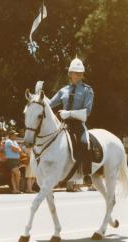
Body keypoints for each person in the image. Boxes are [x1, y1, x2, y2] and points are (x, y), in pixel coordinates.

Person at [49, 57, 94, 185]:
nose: (78, 75)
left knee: (85, 142)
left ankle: (86, 173)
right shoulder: (63, 90)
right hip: (63, 125)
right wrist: (39, 95)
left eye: (80, 73)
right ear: (70, 74)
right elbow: (50, 104)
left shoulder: (87, 90)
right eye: (75, 72)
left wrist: (68, 113)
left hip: (78, 124)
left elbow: (87, 111)